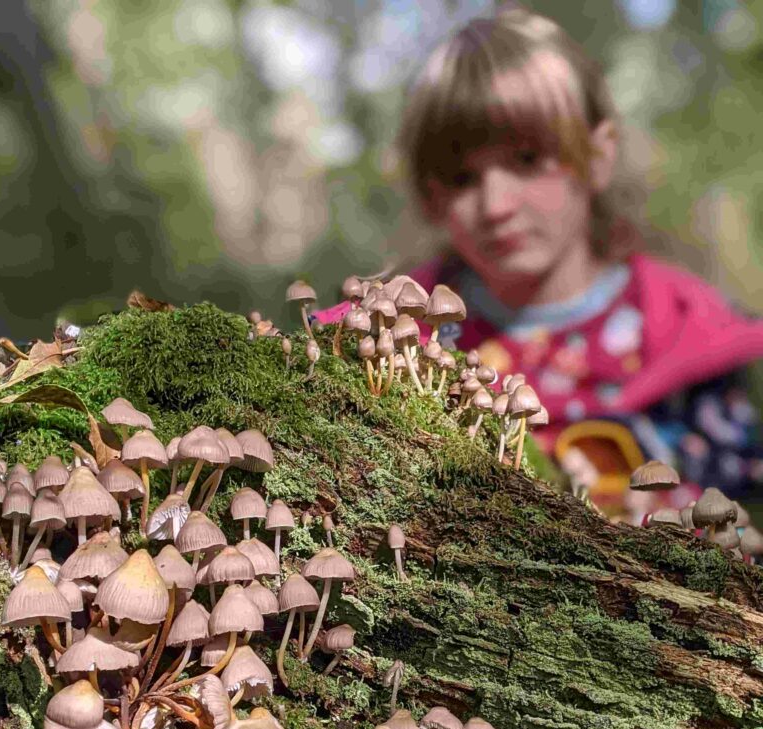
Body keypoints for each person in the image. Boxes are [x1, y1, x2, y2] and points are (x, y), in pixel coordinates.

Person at [314, 8, 763, 513]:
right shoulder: (399, 334)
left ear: (598, 155)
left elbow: (739, 523)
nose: (496, 205)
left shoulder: (682, 331)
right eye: (463, 178)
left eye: (527, 159)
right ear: (432, 197)